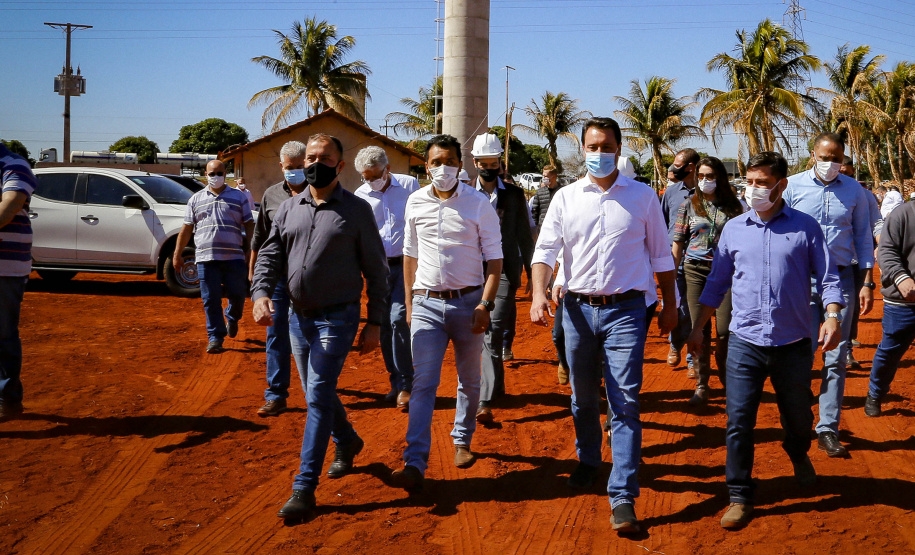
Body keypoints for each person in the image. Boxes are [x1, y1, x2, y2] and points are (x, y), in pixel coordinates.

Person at [530, 117, 678, 535]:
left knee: (625, 401)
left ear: (618, 147)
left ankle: (623, 496)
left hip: (627, 311)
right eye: (592, 146)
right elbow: (545, 249)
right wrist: (540, 293)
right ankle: (588, 459)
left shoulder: (644, 197)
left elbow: (662, 257)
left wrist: (670, 305)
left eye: (606, 145)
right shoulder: (564, 198)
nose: (598, 153)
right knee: (581, 397)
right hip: (576, 310)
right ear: (582, 148)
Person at [687, 151, 843, 529]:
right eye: (750, 182)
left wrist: (833, 315)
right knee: (739, 420)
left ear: (781, 185)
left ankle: (797, 450)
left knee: (798, 415)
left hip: (792, 342)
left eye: (762, 183)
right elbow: (716, 284)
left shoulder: (806, 228)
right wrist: (696, 329)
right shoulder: (735, 229)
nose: (754, 189)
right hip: (744, 341)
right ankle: (740, 494)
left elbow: (829, 278)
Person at [251, 133, 389, 520]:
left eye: (323, 157)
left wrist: (375, 323)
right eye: (309, 157)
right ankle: (347, 440)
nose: (313, 164)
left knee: (317, 395)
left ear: (339, 165)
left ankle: (303, 487)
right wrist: (261, 292)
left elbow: (377, 272)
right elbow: (269, 255)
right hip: (297, 316)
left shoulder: (357, 211)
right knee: (318, 392)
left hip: (338, 317)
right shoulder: (289, 208)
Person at [390, 134, 503, 491]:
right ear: (427, 166)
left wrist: (485, 304)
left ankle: (461, 441)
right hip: (425, 304)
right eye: (436, 162)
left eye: (449, 161)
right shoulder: (415, 202)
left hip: (469, 304)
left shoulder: (478, 204)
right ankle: (415, 460)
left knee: (468, 381)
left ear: (460, 164)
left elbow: (495, 259)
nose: (443, 168)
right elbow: (410, 254)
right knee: (423, 383)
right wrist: (410, 305)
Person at [783, 133, 875, 457]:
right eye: (825, 157)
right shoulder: (792, 186)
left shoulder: (856, 192)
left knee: (836, 358)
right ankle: (800, 424)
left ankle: (828, 429)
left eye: (837, 158)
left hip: (843, 278)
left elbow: (864, 238)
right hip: (801, 281)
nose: (831, 164)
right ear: (813, 155)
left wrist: (867, 283)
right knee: (802, 354)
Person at [471, 132, 534, 424]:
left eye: (493, 161)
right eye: (482, 162)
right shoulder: (462, 194)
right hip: (471, 273)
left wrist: (533, 273)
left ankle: (483, 400)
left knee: (492, 332)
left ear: (500, 162)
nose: (488, 167)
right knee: (483, 337)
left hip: (505, 271)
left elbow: (523, 234)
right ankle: (496, 387)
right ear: (474, 162)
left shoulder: (514, 194)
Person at [671, 156, 744, 405]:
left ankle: (726, 378)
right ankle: (702, 385)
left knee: (724, 331)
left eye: (710, 176)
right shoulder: (687, 206)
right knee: (698, 329)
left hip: (725, 274)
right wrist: (671, 275)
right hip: (694, 271)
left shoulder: (734, 207)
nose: (705, 181)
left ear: (720, 178)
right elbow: (678, 243)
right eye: (701, 176)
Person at [354, 145, 419, 410]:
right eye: (365, 177)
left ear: (387, 168)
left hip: (405, 264)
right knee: (381, 323)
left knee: (398, 320)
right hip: (377, 268)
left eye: (374, 175)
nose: (370, 181)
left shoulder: (410, 185)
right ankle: (395, 381)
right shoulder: (360, 195)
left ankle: (406, 385)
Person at [249, 141, 309, 418]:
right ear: (281, 166)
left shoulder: (318, 193)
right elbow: (259, 238)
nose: (295, 172)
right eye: (290, 168)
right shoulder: (272, 195)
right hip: (275, 278)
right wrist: (254, 272)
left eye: (300, 167)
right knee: (276, 336)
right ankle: (276, 395)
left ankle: (315, 395)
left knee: (306, 336)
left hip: (308, 279)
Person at [174, 160, 254, 354]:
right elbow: (186, 228)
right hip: (205, 258)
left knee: (237, 294)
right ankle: (215, 338)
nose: (215, 177)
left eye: (219, 173)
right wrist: (177, 254)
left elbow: (249, 225)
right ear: (206, 174)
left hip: (234, 257)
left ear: (225, 174)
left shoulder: (238, 197)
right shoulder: (195, 199)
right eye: (212, 173)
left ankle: (233, 317)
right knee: (210, 299)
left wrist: (251, 251)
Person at [864, 199, 915, 417]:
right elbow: (886, 250)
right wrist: (901, 277)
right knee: (891, 351)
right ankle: (875, 393)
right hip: (903, 301)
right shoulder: (902, 214)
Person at [0, 143, 38, 422]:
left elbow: (11, 203)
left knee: (2, 333)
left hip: (5, 266)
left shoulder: (13, 164)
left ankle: (7, 399)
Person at [838, 157, 882, 370]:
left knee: (850, 308)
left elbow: (876, 223)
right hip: (817, 264)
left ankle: (846, 350)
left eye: (849, 174)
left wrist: (882, 238)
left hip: (854, 262)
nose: (845, 177)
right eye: (841, 173)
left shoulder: (865, 195)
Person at [660, 149, 700, 375]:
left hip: (699, 261)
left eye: (678, 165)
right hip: (672, 260)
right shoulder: (671, 192)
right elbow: (662, 223)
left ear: (691, 166)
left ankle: (693, 359)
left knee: (694, 310)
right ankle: (675, 345)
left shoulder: (706, 193)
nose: (674, 169)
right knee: (676, 306)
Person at [529, 164, 568, 384]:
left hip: (560, 244)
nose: (545, 179)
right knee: (558, 334)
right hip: (546, 240)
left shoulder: (564, 194)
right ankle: (564, 360)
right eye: (542, 175)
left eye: (547, 175)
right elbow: (534, 213)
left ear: (554, 176)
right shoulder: (541, 193)